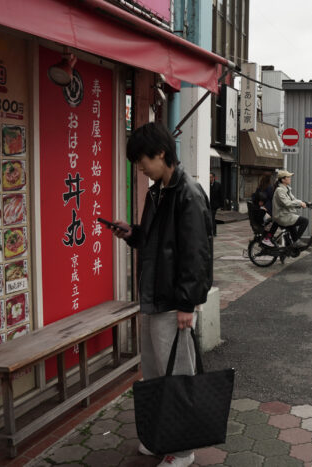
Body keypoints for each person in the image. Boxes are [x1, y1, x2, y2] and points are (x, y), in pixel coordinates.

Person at [111, 122, 213, 467]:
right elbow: (155, 241)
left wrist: (187, 303)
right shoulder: (157, 193)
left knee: (178, 377)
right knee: (155, 375)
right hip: (153, 300)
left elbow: (197, 254)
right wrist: (132, 233)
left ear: (160, 153)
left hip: (173, 305)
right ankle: (160, 436)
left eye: (142, 160)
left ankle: (183, 450)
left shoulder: (189, 193)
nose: (140, 168)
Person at [272, 169, 308, 248]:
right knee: (305, 221)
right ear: (283, 179)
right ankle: (296, 241)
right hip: (281, 216)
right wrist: (300, 203)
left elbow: (293, 199)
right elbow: (287, 203)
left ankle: (291, 244)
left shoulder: (287, 189)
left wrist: (303, 203)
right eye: (288, 177)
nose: (290, 178)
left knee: (293, 224)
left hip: (286, 215)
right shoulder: (279, 190)